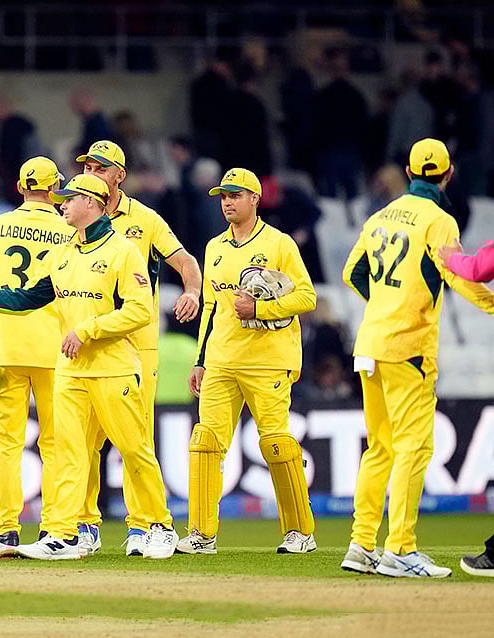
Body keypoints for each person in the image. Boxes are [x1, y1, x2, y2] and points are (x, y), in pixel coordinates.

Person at [0, 173, 178, 561]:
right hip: (71, 370)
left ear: (92, 202)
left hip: (113, 368)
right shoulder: (65, 252)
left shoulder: (123, 251)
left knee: (134, 449)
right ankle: (64, 534)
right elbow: (28, 298)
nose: (62, 204)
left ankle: (160, 525)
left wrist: (88, 330)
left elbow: (140, 310)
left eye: (70, 198)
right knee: (71, 453)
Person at [340, 138, 494, 578]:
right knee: (414, 447)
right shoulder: (439, 219)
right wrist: (492, 304)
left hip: (370, 343)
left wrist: (386, 306)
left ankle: (361, 544)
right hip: (408, 349)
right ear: (447, 176)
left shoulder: (379, 216)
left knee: (379, 449)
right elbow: (457, 274)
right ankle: (400, 549)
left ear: (408, 173)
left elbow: (353, 273)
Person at [178, 167, 318, 557]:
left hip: (268, 361)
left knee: (275, 443)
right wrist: (200, 360)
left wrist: (260, 305)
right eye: (223, 195)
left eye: (235, 195)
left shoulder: (279, 243)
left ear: (255, 199)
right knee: (205, 442)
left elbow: (307, 297)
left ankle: (299, 532)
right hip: (221, 360)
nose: (227, 202)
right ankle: (202, 535)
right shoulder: (214, 247)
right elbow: (210, 307)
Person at [76, 141, 201, 556]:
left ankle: (139, 525)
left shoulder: (144, 219)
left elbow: (184, 260)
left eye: (100, 166)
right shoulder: (77, 216)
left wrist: (192, 291)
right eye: (88, 165)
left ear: (119, 175)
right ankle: (86, 524)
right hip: (89, 344)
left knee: (134, 438)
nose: (92, 171)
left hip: (135, 346)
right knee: (84, 440)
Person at [0, 156, 70, 557]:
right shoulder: (67, 229)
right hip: (56, 348)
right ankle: (52, 530)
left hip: (6, 344)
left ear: (20, 187)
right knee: (57, 444)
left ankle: (7, 531)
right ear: (54, 188)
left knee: (6, 445)